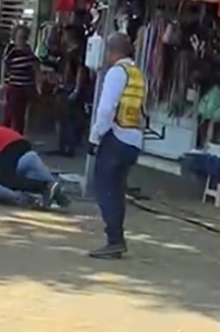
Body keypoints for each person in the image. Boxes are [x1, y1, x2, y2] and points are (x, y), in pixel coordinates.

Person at [87, 32, 144, 259]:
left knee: (104, 190)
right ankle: (116, 238)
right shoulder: (137, 74)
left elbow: (106, 109)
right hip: (134, 139)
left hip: (116, 137)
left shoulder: (116, 73)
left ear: (111, 51)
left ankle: (114, 239)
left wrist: (94, 137)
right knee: (117, 191)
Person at [46, 25, 89, 157]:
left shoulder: (77, 52)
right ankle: (63, 145)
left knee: (68, 117)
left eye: (64, 34)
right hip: (65, 86)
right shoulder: (68, 52)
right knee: (63, 117)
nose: (62, 37)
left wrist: (76, 89)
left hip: (70, 87)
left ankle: (68, 147)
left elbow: (80, 70)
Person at [0, 25, 40, 135]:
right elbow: (5, 65)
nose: (22, 39)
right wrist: (3, 82)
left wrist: (37, 86)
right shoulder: (11, 50)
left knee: (20, 116)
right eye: (20, 37)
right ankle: (5, 136)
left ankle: (17, 136)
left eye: (24, 37)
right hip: (14, 85)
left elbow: (36, 67)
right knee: (10, 113)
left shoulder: (29, 51)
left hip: (26, 86)